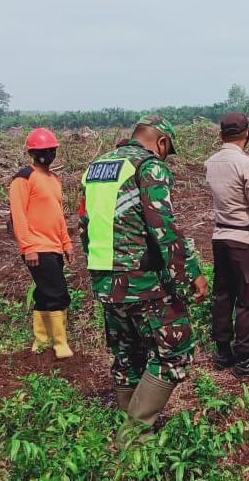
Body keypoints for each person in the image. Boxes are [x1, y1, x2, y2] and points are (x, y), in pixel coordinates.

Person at [79, 115, 208, 441]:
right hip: (142, 280)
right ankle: (134, 436)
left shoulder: (98, 166)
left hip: (105, 277)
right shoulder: (148, 166)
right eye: (167, 150)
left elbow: (84, 224)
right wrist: (190, 274)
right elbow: (163, 227)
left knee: (128, 354)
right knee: (175, 351)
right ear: (162, 142)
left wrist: (100, 272)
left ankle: (128, 425)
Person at [204, 112, 249, 377]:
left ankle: (223, 353)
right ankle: (244, 361)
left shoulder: (211, 163)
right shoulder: (248, 164)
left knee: (223, 295)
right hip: (243, 240)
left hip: (220, 237)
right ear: (247, 133)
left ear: (221, 134)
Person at [9, 128, 74, 359]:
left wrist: (66, 243)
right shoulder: (23, 178)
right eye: (41, 151)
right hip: (37, 247)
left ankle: (41, 341)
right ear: (32, 153)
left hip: (54, 246)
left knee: (45, 295)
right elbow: (18, 215)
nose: (46, 154)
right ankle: (60, 344)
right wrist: (28, 247)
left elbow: (58, 215)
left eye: (49, 150)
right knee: (58, 294)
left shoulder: (54, 179)